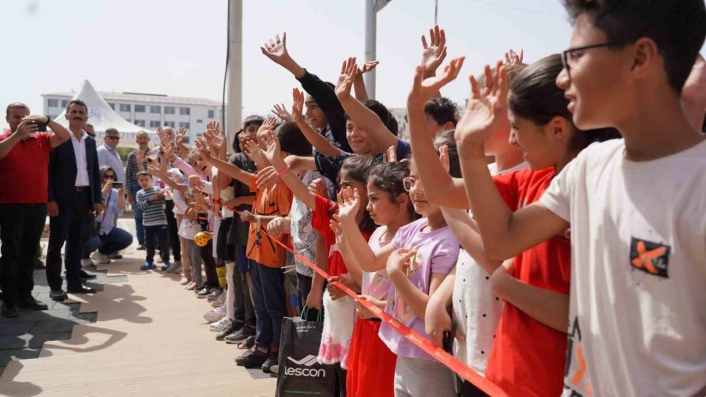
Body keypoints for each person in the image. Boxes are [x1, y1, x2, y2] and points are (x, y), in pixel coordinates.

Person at [339, 155, 459, 397]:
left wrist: (396, 274)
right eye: (412, 181)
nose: (416, 190)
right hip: (403, 350)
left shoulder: (449, 241)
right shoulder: (413, 229)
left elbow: (431, 312)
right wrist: (347, 221)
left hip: (429, 358)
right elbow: (370, 262)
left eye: (427, 181)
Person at [339, 162, 414, 397]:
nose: (368, 207)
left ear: (401, 200)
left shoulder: (408, 238)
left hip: (387, 331)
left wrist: (348, 223)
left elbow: (370, 261)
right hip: (366, 327)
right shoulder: (379, 232)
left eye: (374, 199)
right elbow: (366, 276)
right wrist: (344, 249)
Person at [0, 103, 70, 317]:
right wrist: (17, 135)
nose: (21, 120)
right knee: (11, 253)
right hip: (11, 205)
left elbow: (64, 136)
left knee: (30, 253)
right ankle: (9, 300)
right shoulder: (4, 140)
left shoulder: (40, 140)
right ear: (7, 119)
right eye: (16, 116)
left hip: (37, 205)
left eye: (24, 117)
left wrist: (46, 121)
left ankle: (25, 295)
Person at [46, 99, 103, 301]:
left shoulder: (90, 141)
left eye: (81, 112)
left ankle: (74, 283)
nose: (78, 115)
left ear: (86, 117)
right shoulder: (57, 139)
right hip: (62, 199)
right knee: (56, 244)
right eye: (74, 111)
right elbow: (48, 173)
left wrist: (97, 198)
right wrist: (50, 199)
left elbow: (94, 172)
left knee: (76, 243)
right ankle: (54, 286)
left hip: (84, 198)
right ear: (67, 115)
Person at [80, 166, 132, 266]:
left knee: (126, 238)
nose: (109, 179)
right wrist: (103, 192)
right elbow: (89, 207)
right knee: (94, 241)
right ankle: (83, 256)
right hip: (91, 229)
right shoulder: (92, 190)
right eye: (106, 176)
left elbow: (120, 209)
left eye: (111, 177)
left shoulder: (115, 192)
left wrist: (121, 195)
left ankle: (101, 253)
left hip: (107, 229)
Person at [135, 170, 170, 271]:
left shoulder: (158, 189)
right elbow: (141, 207)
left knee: (164, 243)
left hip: (161, 221)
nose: (144, 182)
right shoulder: (139, 194)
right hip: (148, 223)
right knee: (149, 243)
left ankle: (166, 261)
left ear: (151, 180)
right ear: (138, 182)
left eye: (146, 179)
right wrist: (150, 200)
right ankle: (149, 261)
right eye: (141, 180)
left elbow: (165, 203)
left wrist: (162, 196)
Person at [126, 131, 152, 250]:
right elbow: (128, 175)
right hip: (136, 188)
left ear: (148, 139)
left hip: (152, 188)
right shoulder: (132, 155)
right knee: (138, 216)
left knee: (152, 215)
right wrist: (129, 192)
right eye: (140, 138)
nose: (142, 140)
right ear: (137, 141)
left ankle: (152, 241)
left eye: (144, 138)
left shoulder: (154, 154)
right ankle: (142, 241)